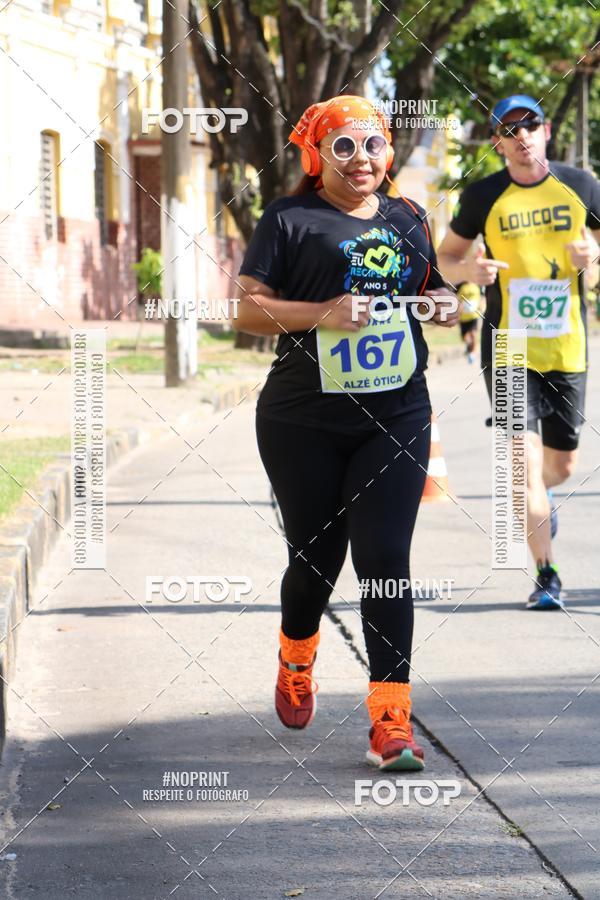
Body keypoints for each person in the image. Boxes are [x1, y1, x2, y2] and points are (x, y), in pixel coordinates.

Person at [235, 95, 459, 771]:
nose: (362, 160)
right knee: (314, 564)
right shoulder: (289, 219)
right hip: (301, 420)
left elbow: (437, 288)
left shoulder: (407, 216)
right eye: (344, 147)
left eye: (373, 145)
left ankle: (391, 720)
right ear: (317, 155)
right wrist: (322, 313)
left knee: (385, 557)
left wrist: (444, 303)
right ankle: (296, 656)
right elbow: (245, 314)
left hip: (395, 415)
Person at [437, 94, 600, 609]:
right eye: (510, 130)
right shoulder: (483, 196)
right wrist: (470, 273)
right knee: (521, 466)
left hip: (567, 347)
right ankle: (546, 574)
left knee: (561, 466)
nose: (521, 135)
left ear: (545, 130)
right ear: (497, 142)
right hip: (508, 346)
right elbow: (444, 259)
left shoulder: (581, 185)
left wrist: (591, 256)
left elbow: (596, 261)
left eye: (529, 125)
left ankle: (543, 502)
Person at [457, 281, 482, 363]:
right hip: (464, 317)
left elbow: (480, 299)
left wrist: (481, 307)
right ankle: (469, 346)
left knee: (473, 334)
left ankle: (472, 354)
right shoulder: (462, 287)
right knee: (465, 337)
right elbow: (459, 300)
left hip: (474, 315)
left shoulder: (476, 286)